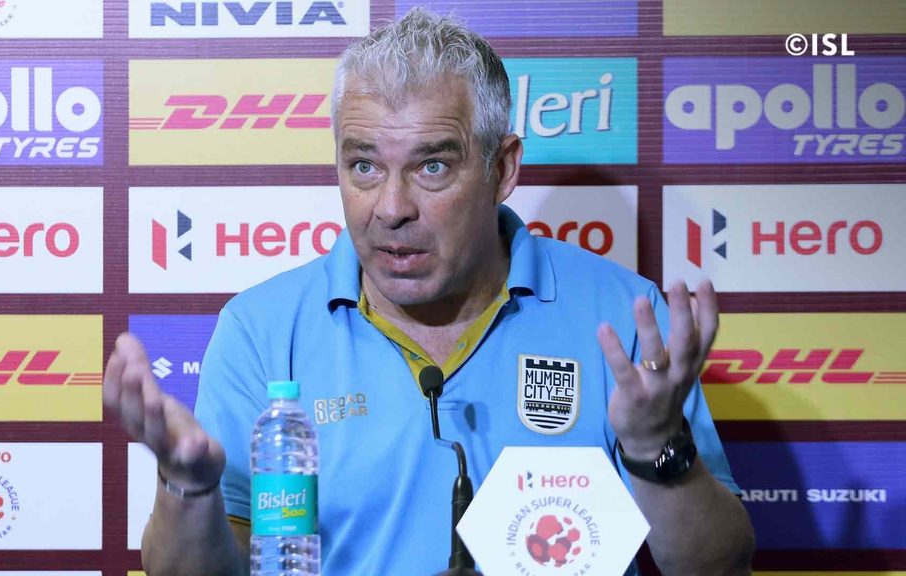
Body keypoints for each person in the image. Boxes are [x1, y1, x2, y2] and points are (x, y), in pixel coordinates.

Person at [104, 8, 755, 575]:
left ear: (502, 168)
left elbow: (718, 566)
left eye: (432, 166)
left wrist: (655, 448)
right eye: (364, 165)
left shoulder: (622, 317)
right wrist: (186, 488)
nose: (391, 208)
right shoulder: (262, 329)